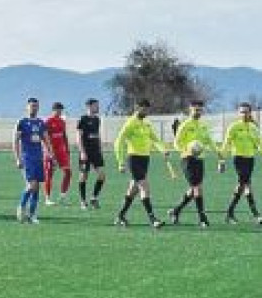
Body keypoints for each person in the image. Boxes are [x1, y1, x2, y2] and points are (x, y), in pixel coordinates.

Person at [114, 99, 168, 228]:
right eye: (144, 109)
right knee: (144, 186)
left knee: (133, 189)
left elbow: (155, 139)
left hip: (145, 159)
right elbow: (118, 142)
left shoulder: (146, 123)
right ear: (137, 108)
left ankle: (120, 216)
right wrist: (120, 162)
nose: (146, 111)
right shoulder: (130, 123)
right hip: (134, 159)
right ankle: (152, 219)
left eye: (147, 109)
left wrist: (163, 150)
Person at [168, 100, 222, 228]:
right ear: (190, 110)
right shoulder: (185, 125)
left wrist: (219, 155)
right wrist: (188, 149)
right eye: (195, 110)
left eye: (199, 110)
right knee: (197, 188)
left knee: (194, 189)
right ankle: (202, 218)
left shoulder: (203, 126)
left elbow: (209, 141)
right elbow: (176, 143)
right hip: (188, 159)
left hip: (200, 160)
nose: (197, 112)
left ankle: (176, 211)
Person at [220, 102, 262, 224]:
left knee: (244, 185)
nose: (244, 114)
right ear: (238, 113)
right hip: (238, 159)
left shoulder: (254, 128)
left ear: (250, 113)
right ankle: (255, 214)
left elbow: (259, 144)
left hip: (250, 159)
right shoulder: (233, 127)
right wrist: (222, 160)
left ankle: (230, 213)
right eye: (242, 112)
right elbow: (226, 144)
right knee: (244, 184)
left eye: (246, 112)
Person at [14, 98, 53, 224]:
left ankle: (32, 215)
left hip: (39, 158)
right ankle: (21, 206)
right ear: (27, 107)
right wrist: (18, 158)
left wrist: (51, 155)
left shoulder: (41, 123)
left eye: (36, 106)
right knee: (32, 185)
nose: (34, 108)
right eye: (32, 106)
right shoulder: (22, 122)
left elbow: (46, 140)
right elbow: (16, 141)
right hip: (27, 159)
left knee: (36, 188)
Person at [76, 98, 105, 210]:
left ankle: (94, 198)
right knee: (84, 176)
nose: (98, 107)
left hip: (96, 152)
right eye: (96, 105)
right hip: (86, 152)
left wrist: (100, 148)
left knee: (102, 175)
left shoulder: (97, 119)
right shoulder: (83, 119)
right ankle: (83, 201)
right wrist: (82, 152)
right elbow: (78, 137)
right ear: (89, 106)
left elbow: (97, 134)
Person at [43, 102, 71, 206]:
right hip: (51, 152)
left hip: (61, 151)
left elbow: (64, 135)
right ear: (53, 110)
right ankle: (47, 199)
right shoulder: (48, 122)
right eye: (58, 110)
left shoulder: (62, 121)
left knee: (68, 172)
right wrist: (49, 152)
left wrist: (67, 149)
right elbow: (44, 137)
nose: (60, 112)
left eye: (61, 110)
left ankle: (62, 196)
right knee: (49, 174)